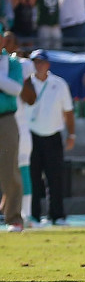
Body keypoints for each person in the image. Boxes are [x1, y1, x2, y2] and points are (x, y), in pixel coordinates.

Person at [28, 50, 75, 226]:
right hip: (31, 134)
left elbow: (68, 111)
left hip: (53, 135)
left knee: (55, 177)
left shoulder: (59, 84)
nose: (38, 65)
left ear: (48, 64)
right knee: (32, 176)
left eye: (41, 62)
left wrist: (71, 134)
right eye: (36, 62)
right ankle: (33, 215)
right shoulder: (26, 83)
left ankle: (57, 215)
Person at [0, 32, 34, 231]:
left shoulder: (11, 62)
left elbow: (15, 89)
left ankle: (14, 217)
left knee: (10, 168)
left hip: (6, 119)